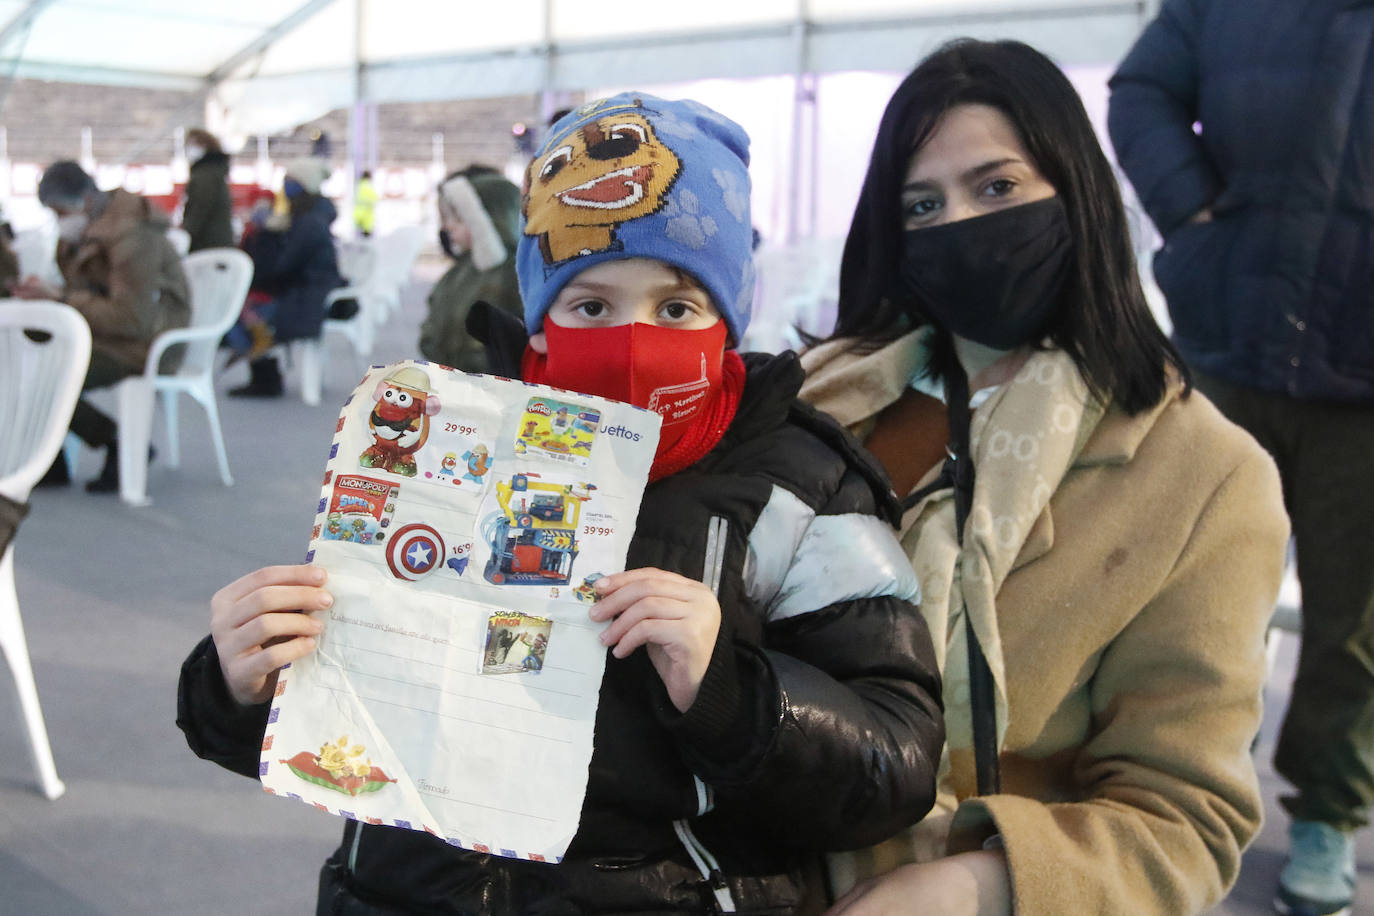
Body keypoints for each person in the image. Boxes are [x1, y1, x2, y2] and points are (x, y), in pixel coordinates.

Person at [177, 93, 944, 914]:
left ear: (729, 322)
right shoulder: (448, 446)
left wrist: (732, 693)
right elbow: (344, 709)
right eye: (591, 306)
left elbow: (895, 760)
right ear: (540, 322)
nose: (632, 338)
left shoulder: (803, 485)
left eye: (676, 308)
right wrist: (239, 682)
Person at [799, 40, 1289, 916]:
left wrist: (976, 884)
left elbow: (1184, 818)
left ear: (1079, 193)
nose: (960, 225)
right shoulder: (821, 403)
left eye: (997, 188)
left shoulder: (1207, 478)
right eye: (922, 203)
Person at [1108, 6, 1374, 914]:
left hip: (1364, 386)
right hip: (1229, 341)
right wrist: (1191, 212)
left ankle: (1330, 811)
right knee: (1188, 592)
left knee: (1353, 624)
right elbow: (1141, 88)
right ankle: (1165, 795)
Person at [15, 160, 190, 492]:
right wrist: (51, 294)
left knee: (49, 374)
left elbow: (130, 317)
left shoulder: (133, 234)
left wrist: (62, 299)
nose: (58, 222)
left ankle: (117, 444)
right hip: (113, 332)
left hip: (149, 341)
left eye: (59, 213)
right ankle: (52, 456)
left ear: (83, 201)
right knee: (32, 345)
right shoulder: (90, 230)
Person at [229, 158, 342, 397]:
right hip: (299, 293)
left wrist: (266, 237)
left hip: (303, 300)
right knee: (246, 304)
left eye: (291, 182)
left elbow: (284, 266)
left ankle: (266, 378)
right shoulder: (305, 218)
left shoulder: (309, 224)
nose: (286, 187)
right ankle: (264, 375)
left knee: (242, 313)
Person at [417, 165, 522, 373]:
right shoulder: (461, 271)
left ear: (487, 219)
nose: (448, 227)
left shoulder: (513, 278)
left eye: (459, 218)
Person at [181, 127, 234, 252]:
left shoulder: (205, 175)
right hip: (218, 241)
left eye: (192, 144)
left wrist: (186, 234)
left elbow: (199, 208)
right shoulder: (216, 171)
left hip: (207, 244)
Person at [352, 170, 377, 238]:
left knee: (358, 234)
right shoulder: (368, 185)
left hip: (358, 212)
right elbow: (374, 198)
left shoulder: (358, 185)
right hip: (366, 212)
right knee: (366, 234)